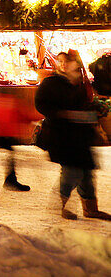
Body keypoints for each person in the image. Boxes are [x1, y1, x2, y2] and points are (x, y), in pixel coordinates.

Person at [35, 50, 111, 221]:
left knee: (87, 172)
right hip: (61, 135)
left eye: (67, 61)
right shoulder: (51, 82)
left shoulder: (80, 83)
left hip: (81, 135)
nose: (62, 64)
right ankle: (58, 207)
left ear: (76, 64)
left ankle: (90, 209)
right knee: (71, 171)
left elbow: (87, 104)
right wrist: (62, 114)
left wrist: (95, 111)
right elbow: (41, 105)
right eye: (60, 61)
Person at [0, 91, 40, 191]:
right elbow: (23, 116)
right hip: (5, 134)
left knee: (10, 155)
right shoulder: (11, 103)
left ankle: (10, 179)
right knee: (10, 156)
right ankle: (10, 180)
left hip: (1, 134)